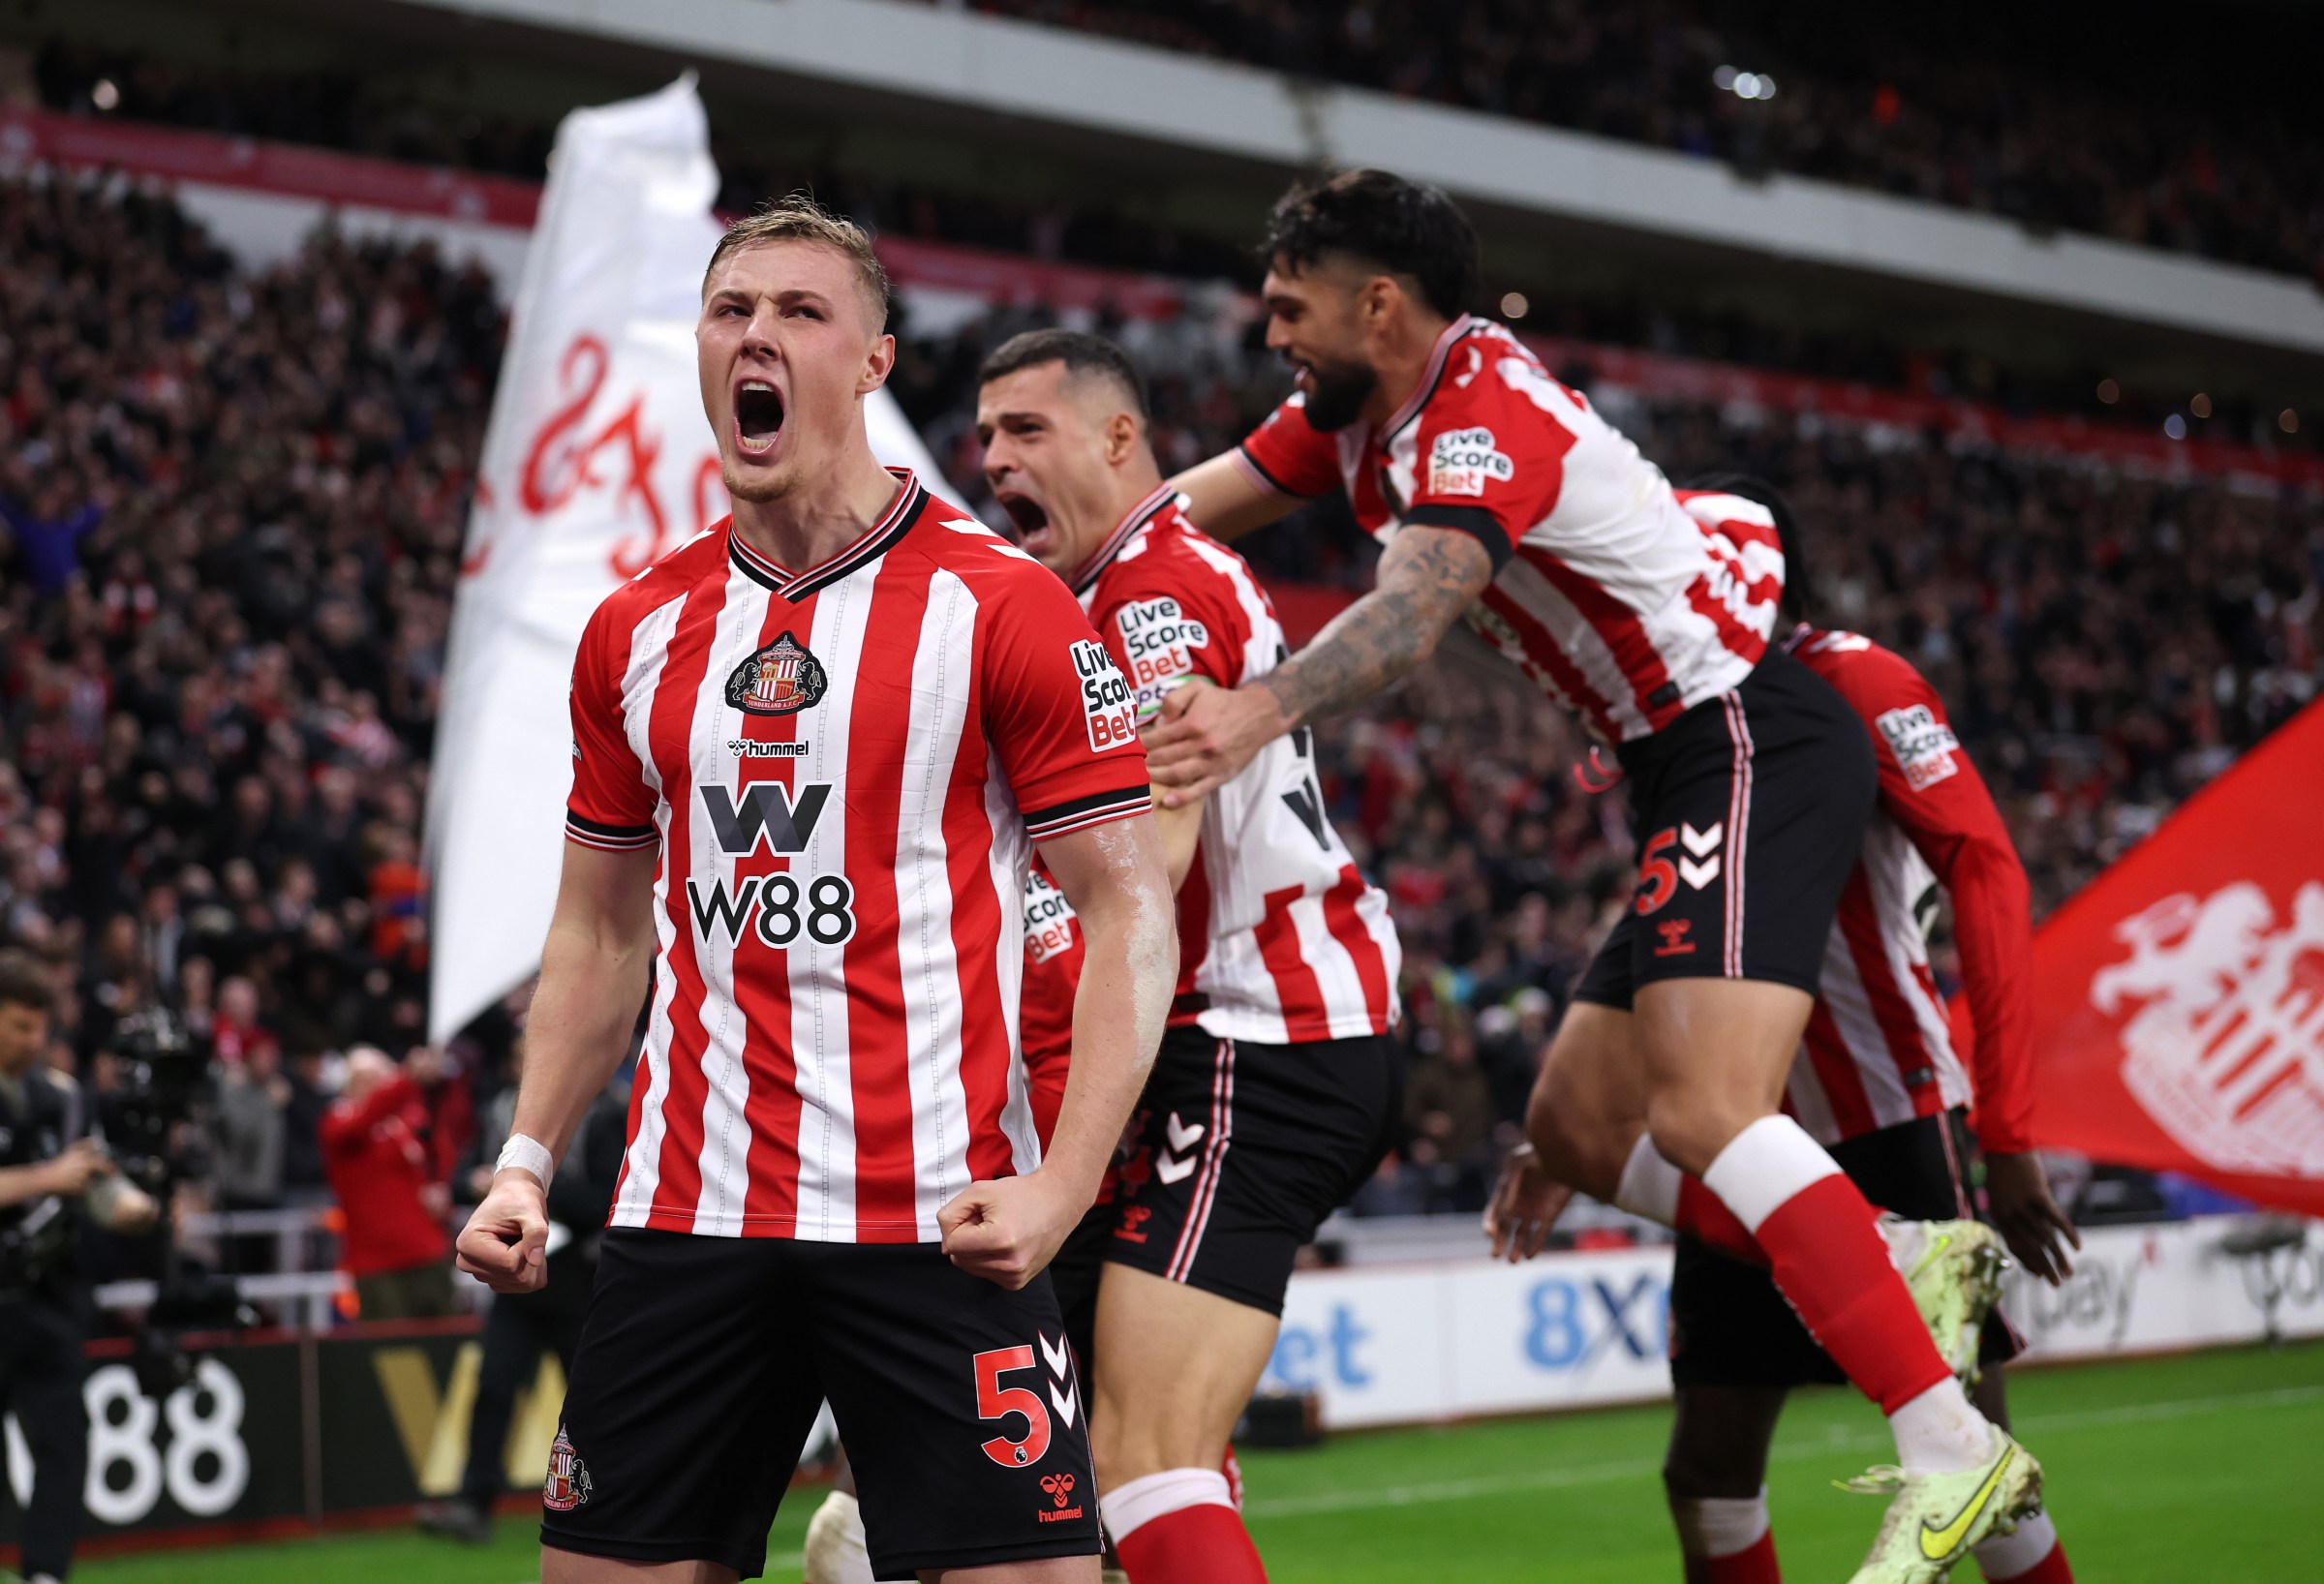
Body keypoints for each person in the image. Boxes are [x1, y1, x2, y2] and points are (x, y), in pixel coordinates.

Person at [1149, 168, 2039, 1580]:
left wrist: (1254, 709)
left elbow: (1411, 615)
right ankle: (1900, 1257)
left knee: (1705, 1111)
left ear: (1378, 305)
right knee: (1571, 1122)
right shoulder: (1357, 416)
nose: (1271, 336)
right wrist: (997, 574)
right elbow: (1167, 516)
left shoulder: (1479, 414)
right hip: (1676, 761)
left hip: (1736, 731)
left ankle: (1946, 1441)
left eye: (1288, 308)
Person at [454, 198, 1179, 1584]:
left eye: (800, 312)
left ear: (873, 362)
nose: (757, 337)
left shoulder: (1003, 607)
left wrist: (1062, 1186)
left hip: (938, 1220)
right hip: (687, 1217)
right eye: (731, 311)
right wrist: (526, 1161)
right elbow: (599, 929)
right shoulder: (634, 630)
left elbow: (1128, 913)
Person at [1498, 483, 2084, 1583]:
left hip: (1882, 1106)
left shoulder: (1852, 680)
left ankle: (1909, 1260)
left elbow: (1988, 869)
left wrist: (2007, 1130)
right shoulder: (1673, 714)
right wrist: (1582, 1123)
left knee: (1977, 1462)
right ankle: (1885, 1251)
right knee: (1707, 1472)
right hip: (1737, 1133)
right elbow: (1678, 920)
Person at [978, 329, 1400, 1583]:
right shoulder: (1121, 583)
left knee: (1142, 1457)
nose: (993, 458)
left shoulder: (1150, 596)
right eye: (985, 435)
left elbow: (1145, 872)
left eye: (1025, 429)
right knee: (1107, 1449)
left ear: (1119, 439)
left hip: (1257, 1033)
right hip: (1250, 1032)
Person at [418, 1053, 629, 1547]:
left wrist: (523, 1191)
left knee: (593, 1400)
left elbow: (607, 1198)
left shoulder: (605, 1113)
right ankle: (473, 1504)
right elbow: (460, 1178)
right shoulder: (499, 1111)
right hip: (516, 1280)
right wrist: (483, 1186)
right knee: (493, 1387)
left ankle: (617, 1501)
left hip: (578, 1281)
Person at [0, 951, 158, 1584]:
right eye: (19, 1026)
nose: (33, 1040)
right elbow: (58, 1175)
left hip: (47, 1295)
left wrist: (135, 1210)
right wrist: (47, 1177)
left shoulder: (62, 1096)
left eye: (40, 1027)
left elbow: (94, 1181)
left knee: (65, 1441)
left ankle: (45, 1574)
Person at [321, 1044, 456, 1320]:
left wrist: (440, 1186)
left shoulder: (405, 1123)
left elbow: (440, 1150)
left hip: (425, 1248)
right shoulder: (337, 1121)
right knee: (391, 1342)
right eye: (365, 1078)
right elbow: (363, 1120)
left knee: (447, 1334)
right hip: (376, 1261)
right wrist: (406, 1078)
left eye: (381, 1077)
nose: (377, 1085)